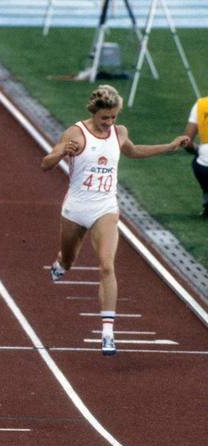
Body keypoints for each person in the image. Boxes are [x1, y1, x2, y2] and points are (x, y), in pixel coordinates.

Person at [41, 84, 188, 356]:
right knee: (69, 260)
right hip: (75, 208)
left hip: (105, 208)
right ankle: (61, 261)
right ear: (94, 112)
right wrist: (62, 152)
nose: (109, 122)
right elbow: (45, 163)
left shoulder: (119, 133)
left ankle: (108, 332)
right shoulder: (76, 133)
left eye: (113, 117)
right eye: (104, 118)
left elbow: (133, 151)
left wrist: (168, 147)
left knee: (107, 266)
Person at [182, 96, 208, 217]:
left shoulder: (201, 105)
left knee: (199, 160)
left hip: (204, 168)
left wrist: (198, 150)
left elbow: (186, 142)